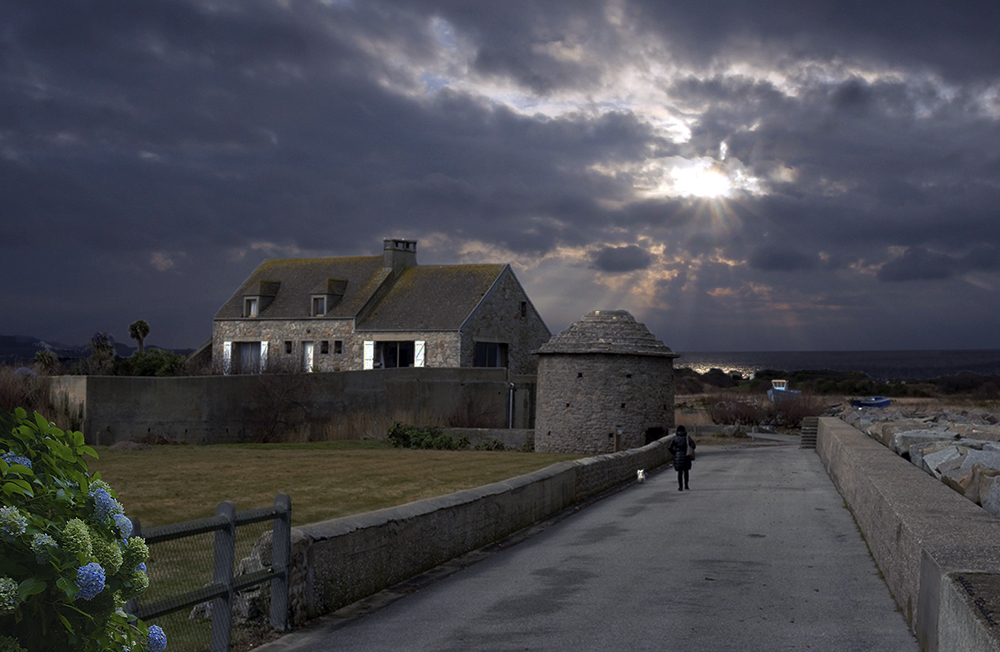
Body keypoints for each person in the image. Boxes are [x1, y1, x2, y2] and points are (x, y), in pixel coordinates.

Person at [668, 425, 695, 491]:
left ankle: (680, 486)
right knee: (686, 472)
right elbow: (693, 445)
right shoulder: (687, 438)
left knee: (679, 473)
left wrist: (675, 453)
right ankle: (686, 485)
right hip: (686, 456)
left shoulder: (675, 438)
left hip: (678, 457)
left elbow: (669, 447)